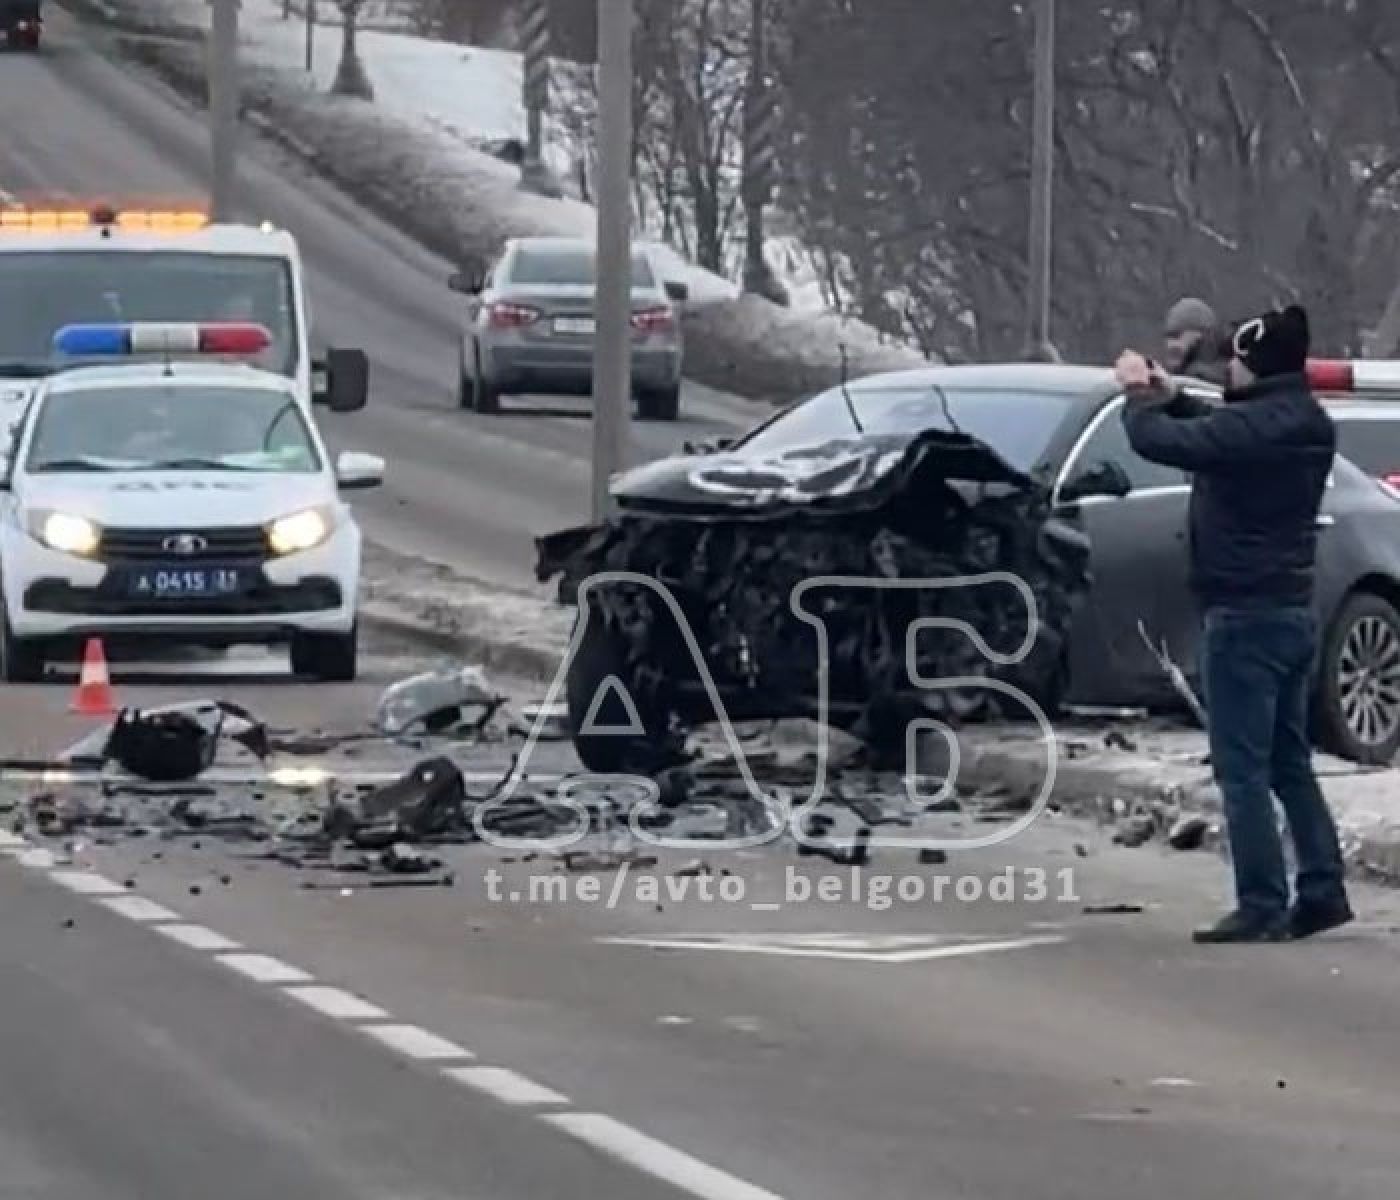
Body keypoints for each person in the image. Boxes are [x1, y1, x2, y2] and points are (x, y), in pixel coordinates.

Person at [1113, 305, 1353, 944]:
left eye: (1238, 361)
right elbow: (1223, 427)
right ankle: (1323, 888)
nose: (1229, 370)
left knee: (1240, 767)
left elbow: (1161, 442)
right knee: (1288, 764)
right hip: (1292, 612)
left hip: (1243, 618)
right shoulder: (1304, 421)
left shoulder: (1255, 431)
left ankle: (1262, 901)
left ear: (1259, 366)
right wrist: (1174, 395)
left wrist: (1139, 396)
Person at [1162, 296, 1231, 387]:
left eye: (1176, 335)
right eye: (1168, 337)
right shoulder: (1170, 384)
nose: (1171, 345)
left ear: (1204, 335)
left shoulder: (1227, 381)